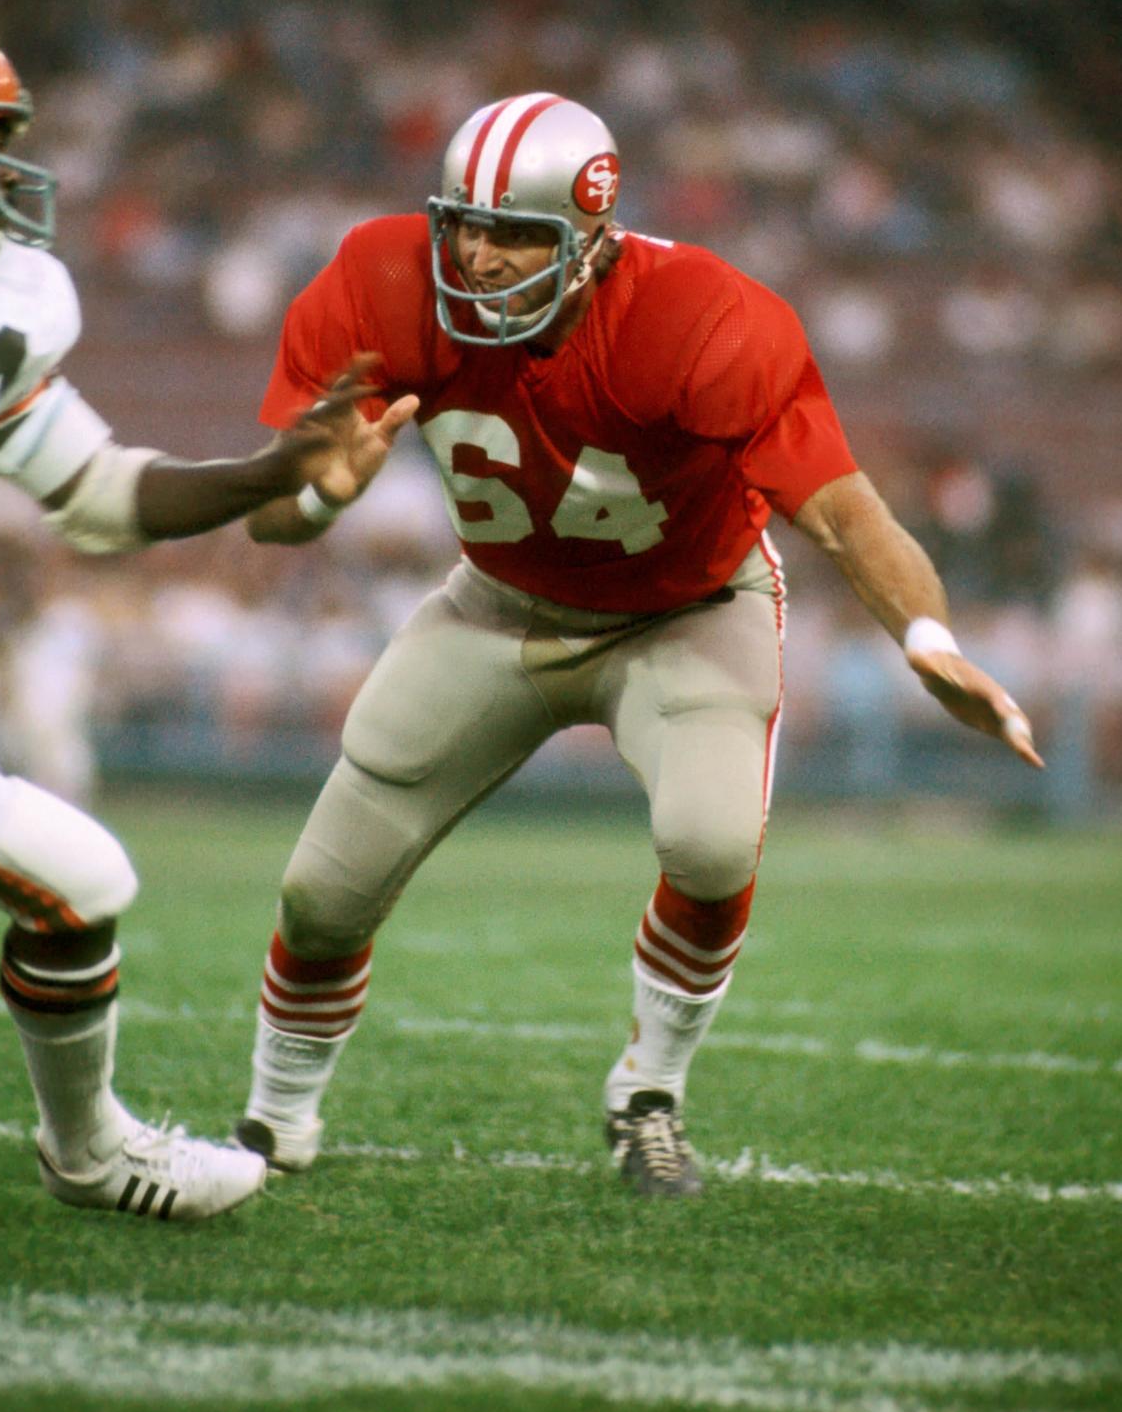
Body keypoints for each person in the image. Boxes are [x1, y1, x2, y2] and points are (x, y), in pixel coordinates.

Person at [232, 91, 1042, 1198]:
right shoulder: (378, 281)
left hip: (688, 609)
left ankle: (647, 1094)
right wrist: (313, 503)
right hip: (501, 601)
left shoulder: (702, 319)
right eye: (463, 221)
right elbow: (277, 511)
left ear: (594, 239)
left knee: (712, 846)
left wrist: (928, 637)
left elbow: (847, 512)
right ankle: (276, 1118)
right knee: (323, 892)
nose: (477, 253)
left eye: (518, 231)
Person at [0, 21, 417, 1221]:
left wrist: (272, 472)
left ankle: (89, 1150)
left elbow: (101, 497)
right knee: (77, 879)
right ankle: (91, 1152)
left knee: (78, 881)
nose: (12, 164)